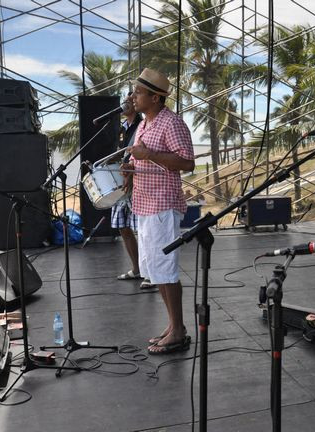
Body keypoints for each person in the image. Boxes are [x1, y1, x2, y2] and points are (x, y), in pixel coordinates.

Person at [122, 68, 195, 355]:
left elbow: (187, 163)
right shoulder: (142, 125)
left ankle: (178, 329)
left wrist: (149, 155)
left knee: (165, 269)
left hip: (163, 205)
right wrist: (131, 167)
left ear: (155, 97)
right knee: (155, 269)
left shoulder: (171, 123)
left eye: (139, 92)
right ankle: (173, 325)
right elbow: (141, 159)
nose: (133, 96)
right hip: (144, 203)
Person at [111, 92, 145, 285]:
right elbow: (123, 153)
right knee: (123, 226)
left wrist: (131, 174)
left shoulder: (141, 125)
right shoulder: (122, 129)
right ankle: (137, 268)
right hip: (123, 180)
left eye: (132, 99)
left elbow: (139, 155)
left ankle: (150, 272)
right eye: (126, 99)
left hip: (137, 181)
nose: (128, 101)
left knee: (143, 229)